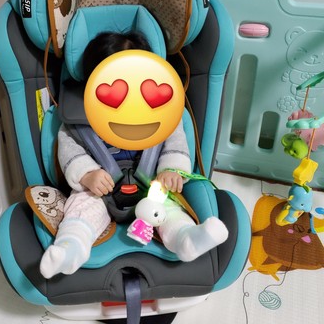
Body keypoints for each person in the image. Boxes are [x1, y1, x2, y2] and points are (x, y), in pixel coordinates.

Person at [40, 32, 228, 278]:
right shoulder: (79, 116)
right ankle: (70, 249)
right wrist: (86, 174)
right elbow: (69, 146)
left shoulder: (162, 111)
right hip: (99, 189)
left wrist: (171, 169)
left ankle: (186, 238)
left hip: (152, 187)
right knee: (81, 208)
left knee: (170, 209)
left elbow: (174, 139)